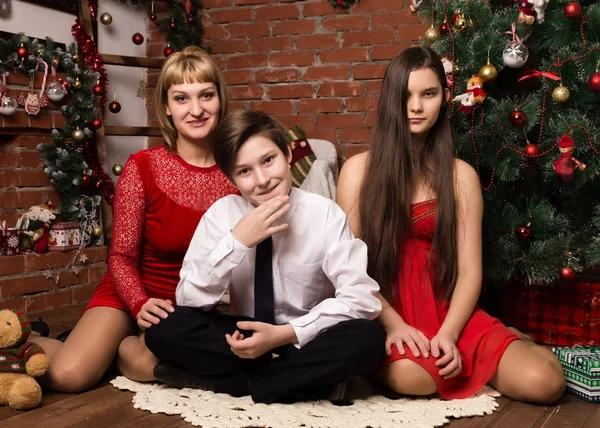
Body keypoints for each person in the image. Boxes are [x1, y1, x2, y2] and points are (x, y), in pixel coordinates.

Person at [336, 46, 566, 404]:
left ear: (444, 98)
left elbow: (470, 270)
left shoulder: (461, 176)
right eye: (405, 96)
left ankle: (511, 336)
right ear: (388, 100)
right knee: (416, 379)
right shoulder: (358, 171)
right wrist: (394, 324)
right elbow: (348, 271)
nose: (415, 107)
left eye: (427, 94)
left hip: (448, 310)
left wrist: (448, 333)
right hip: (386, 311)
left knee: (546, 384)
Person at [30, 46, 239, 393]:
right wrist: (139, 304)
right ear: (167, 108)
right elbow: (122, 256)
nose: (197, 109)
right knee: (69, 375)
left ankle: (113, 349)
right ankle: (28, 339)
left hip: (193, 307)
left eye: (206, 95)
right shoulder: (143, 166)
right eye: (182, 98)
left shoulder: (240, 171)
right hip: (133, 295)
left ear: (220, 99)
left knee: (156, 366)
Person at [144, 110, 385, 404]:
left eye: (268, 160)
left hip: (303, 336)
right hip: (243, 336)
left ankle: (240, 383)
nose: (262, 180)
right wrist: (237, 242)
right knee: (162, 328)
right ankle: (308, 383)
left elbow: (361, 298)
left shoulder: (324, 214)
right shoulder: (222, 215)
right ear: (231, 177)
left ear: (287, 153)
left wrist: (284, 334)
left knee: (367, 339)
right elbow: (191, 300)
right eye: (244, 171)